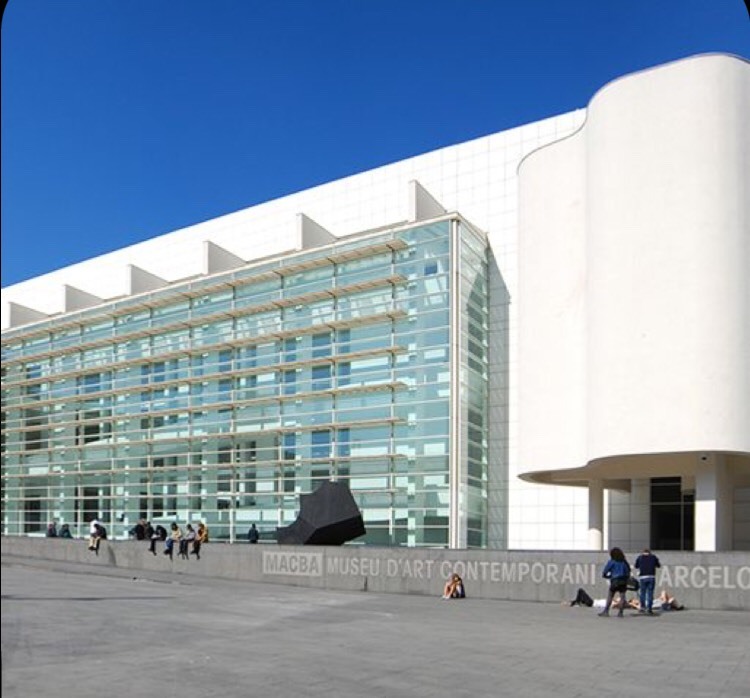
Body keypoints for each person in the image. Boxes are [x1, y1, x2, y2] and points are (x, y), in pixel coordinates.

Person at [599, 547, 631, 617]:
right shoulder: (624, 562)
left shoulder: (612, 561)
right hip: (623, 580)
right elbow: (628, 570)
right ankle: (620, 613)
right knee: (622, 597)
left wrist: (606, 576)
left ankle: (606, 611)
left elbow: (605, 571)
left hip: (615, 580)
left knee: (610, 595)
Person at [634, 548, 661, 615]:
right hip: (651, 577)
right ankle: (649, 609)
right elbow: (658, 565)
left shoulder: (640, 558)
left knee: (643, 593)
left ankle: (643, 607)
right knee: (650, 593)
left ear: (643, 552)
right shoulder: (653, 557)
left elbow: (636, 566)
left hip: (643, 577)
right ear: (649, 552)